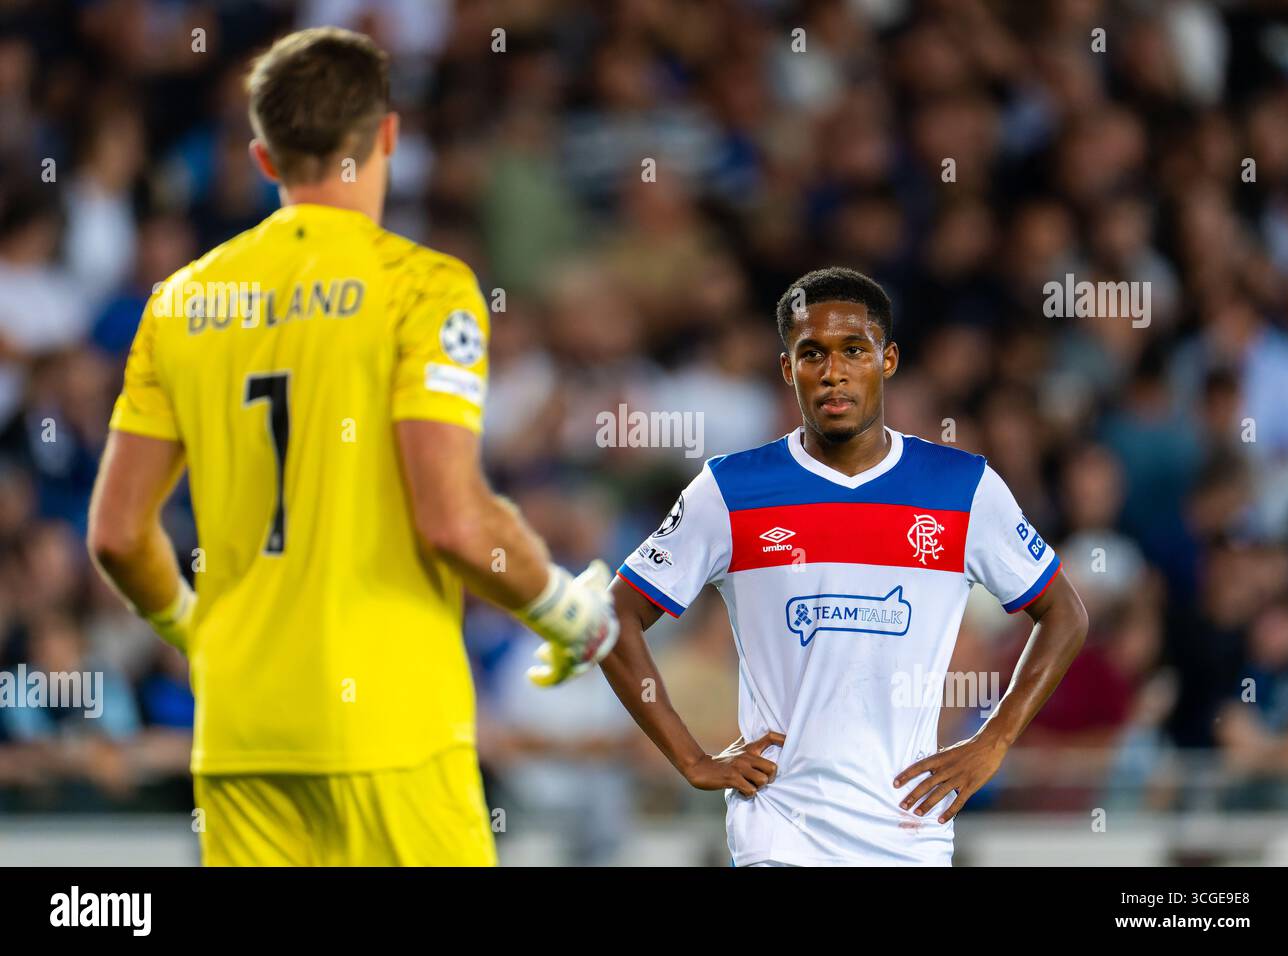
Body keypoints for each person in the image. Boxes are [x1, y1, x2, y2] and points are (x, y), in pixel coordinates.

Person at [85, 27, 617, 867]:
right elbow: (452, 519)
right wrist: (563, 609)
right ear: (389, 138)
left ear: (264, 158)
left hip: (244, 735)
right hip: (391, 728)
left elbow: (116, 534)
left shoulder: (179, 303)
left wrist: (195, 634)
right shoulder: (423, 289)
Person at [601, 266, 1089, 866]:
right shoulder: (730, 489)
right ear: (788, 370)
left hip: (910, 834)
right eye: (812, 354)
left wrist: (994, 741)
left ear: (887, 360)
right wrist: (692, 758)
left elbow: (1064, 613)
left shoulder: (962, 488)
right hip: (778, 835)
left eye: (853, 350)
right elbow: (613, 617)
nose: (832, 372)